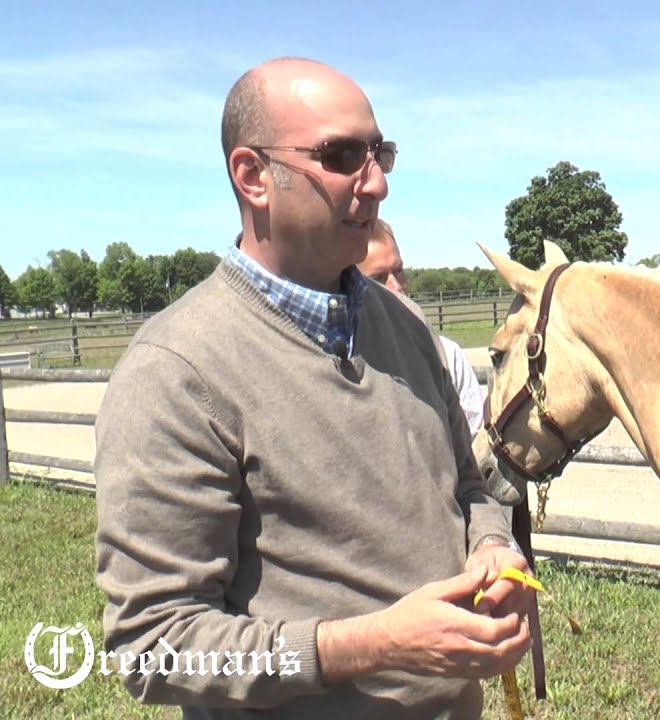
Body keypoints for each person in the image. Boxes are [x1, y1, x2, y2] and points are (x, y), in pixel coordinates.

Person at [93, 56, 535, 720]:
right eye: (344, 155)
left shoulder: (408, 330)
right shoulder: (176, 371)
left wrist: (494, 550)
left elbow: (469, 489)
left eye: (380, 151)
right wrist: (374, 646)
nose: (379, 182)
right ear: (253, 176)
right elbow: (153, 647)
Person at [357, 219, 485, 436]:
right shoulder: (350, 366)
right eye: (378, 278)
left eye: (398, 271)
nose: (396, 286)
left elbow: (477, 439)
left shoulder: (447, 356)